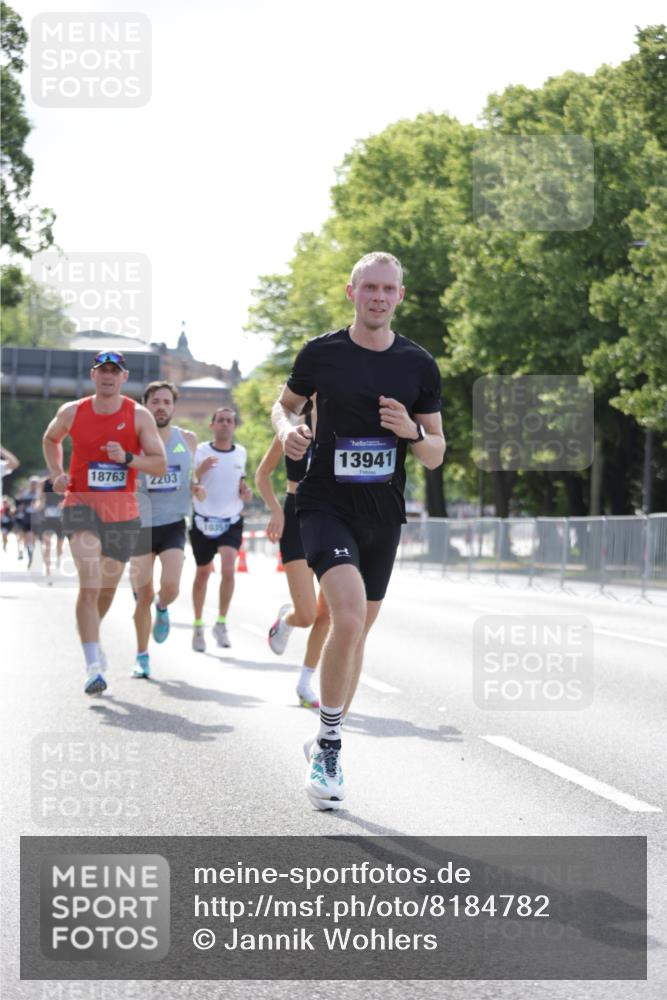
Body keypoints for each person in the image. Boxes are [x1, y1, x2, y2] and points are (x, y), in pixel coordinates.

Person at [272, 252, 445, 810]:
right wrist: (290, 429)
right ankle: (328, 745)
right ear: (352, 292)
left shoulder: (418, 365)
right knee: (344, 616)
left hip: (382, 516)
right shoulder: (321, 353)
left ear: (399, 296)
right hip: (324, 505)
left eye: (387, 289)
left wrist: (412, 429)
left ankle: (326, 732)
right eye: (368, 287)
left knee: (357, 632)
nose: (377, 296)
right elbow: (285, 405)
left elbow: (437, 453)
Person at [42, 351, 167, 695]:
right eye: (103, 371)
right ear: (93, 376)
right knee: (90, 581)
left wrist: (127, 458)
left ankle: (91, 635)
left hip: (123, 514)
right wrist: (56, 473)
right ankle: (92, 666)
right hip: (80, 504)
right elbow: (50, 438)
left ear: (124, 378)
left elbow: (159, 464)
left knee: (107, 588)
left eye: (115, 371)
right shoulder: (72, 411)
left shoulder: (138, 416)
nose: (108, 376)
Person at [255, 401, 329, 708]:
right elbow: (262, 475)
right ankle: (286, 621)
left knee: (330, 612)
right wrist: (276, 511)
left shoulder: (348, 419)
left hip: (335, 517)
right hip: (297, 516)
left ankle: (304, 683)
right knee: (307, 614)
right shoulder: (291, 426)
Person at [129, 381, 204, 679]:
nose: (161, 406)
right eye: (155, 401)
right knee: (142, 594)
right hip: (139, 524)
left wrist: (196, 486)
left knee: (171, 586)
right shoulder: (132, 442)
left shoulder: (187, 439)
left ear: (173, 407)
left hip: (173, 521)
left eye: (166, 402)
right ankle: (142, 655)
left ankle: (163, 607)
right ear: (145, 405)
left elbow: (190, 475)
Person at [190, 407, 252, 652]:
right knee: (203, 573)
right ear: (212, 425)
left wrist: (245, 492)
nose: (225, 424)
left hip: (231, 520)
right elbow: (189, 482)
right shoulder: (201, 451)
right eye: (221, 420)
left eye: (230, 421)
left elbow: (241, 483)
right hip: (203, 520)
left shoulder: (241, 453)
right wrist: (199, 472)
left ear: (234, 426)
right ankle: (197, 625)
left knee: (228, 570)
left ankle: (221, 623)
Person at [34, 476, 65, 584]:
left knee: (59, 545)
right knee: (46, 544)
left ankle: (58, 558)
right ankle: (47, 570)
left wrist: (65, 505)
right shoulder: (44, 482)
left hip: (60, 519)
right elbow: (40, 497)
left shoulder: (64, 479)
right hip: (46, 519)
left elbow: (67, 495)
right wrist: (39, 505)